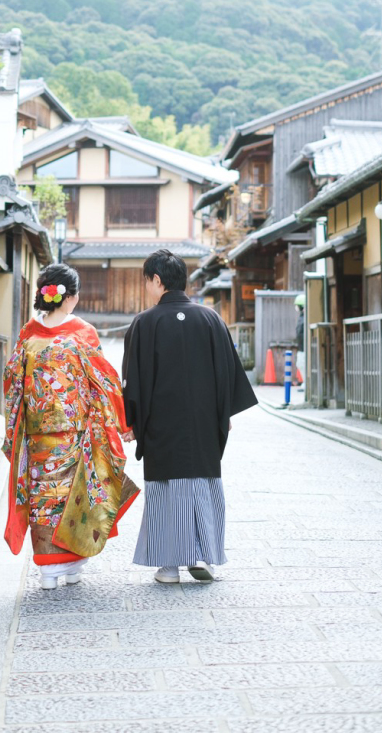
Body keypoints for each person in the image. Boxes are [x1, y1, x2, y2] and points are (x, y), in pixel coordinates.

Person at [122, 249, 257, 584]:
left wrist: (132, 422)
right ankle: (203, 557)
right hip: (203, 426)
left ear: (156, 280)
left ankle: (168, 566)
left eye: (147, 281)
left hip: (160, 426)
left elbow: (133, 381)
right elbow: (229, 374)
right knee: (201, 485)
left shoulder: (144, 323)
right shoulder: (211, 319)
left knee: (165, 490)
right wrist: (223, 413)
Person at [3, 263, 140, 590]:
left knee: (43, 497)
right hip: (75, 435)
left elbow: (13, 385)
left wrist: (12, 434)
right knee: (73, 495)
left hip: (38, 438)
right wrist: (122, 422)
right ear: (70, 296)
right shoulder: (83, 332)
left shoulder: (28, 334)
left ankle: (47, 569)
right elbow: (104, 382)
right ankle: (74, 562)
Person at [294, 294, 306, 389]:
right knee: (300, 363)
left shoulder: (305, 317)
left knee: (302, 364)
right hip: (301, 346)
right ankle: (305, 382)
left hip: (304, 346)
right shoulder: (302, 317)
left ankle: (306, 383)